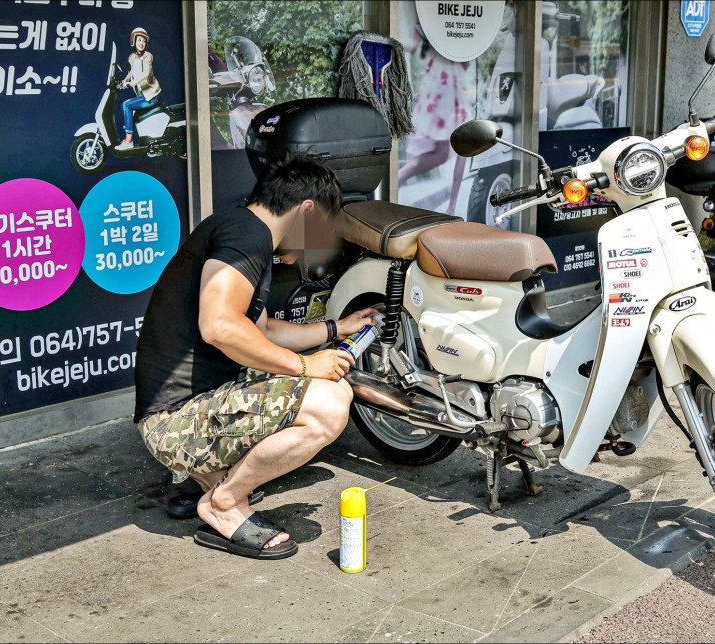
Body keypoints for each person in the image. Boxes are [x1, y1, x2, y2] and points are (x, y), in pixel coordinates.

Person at [133, 153, 378, 560]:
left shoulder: (243, 229)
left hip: (194, 403)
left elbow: (261, 332)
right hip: (175, 420)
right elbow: (221, 326)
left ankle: (211, 478)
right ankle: (223, 503)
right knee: (330, 403)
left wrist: (338, 329)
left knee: (317, 384)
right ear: (307, 211)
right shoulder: (247, 234)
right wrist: (306, 366)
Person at [398, 24, 470, 214]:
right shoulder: (429, 14)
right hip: (445, 81)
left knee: (448, 152)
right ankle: (452, 207)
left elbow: (413, 45)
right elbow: (413, 45)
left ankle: (399, 177)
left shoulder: (430, 14)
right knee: (458, 148)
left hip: (444, 81)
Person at [115, 27, 162, 150]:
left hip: (150, 96)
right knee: (128, 108)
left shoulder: (148, 56)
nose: (141, 43)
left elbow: (145, 73)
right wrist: (124, 81)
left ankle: (129, 140)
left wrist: (130, 84)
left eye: (144, 41)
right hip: (142, 96)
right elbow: (132, 72)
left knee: (126, 105)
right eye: (139, 40)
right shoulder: (131, 57)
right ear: (133, 41)